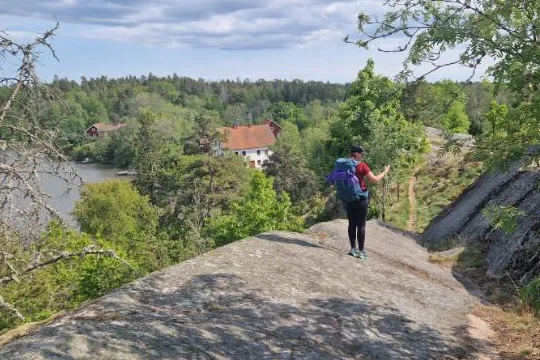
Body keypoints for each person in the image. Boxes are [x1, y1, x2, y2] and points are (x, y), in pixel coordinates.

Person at [346, 145, 390, 259]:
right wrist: (385, 172)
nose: (362, 156)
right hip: (361, 198)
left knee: (351, 224)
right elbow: (374, 179)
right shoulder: (361, 165)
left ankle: (352, 249)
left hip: (349, 198)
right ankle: (361, 252)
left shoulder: (344, 164)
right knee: (361, 225)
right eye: (361, 153)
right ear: (356, 154)